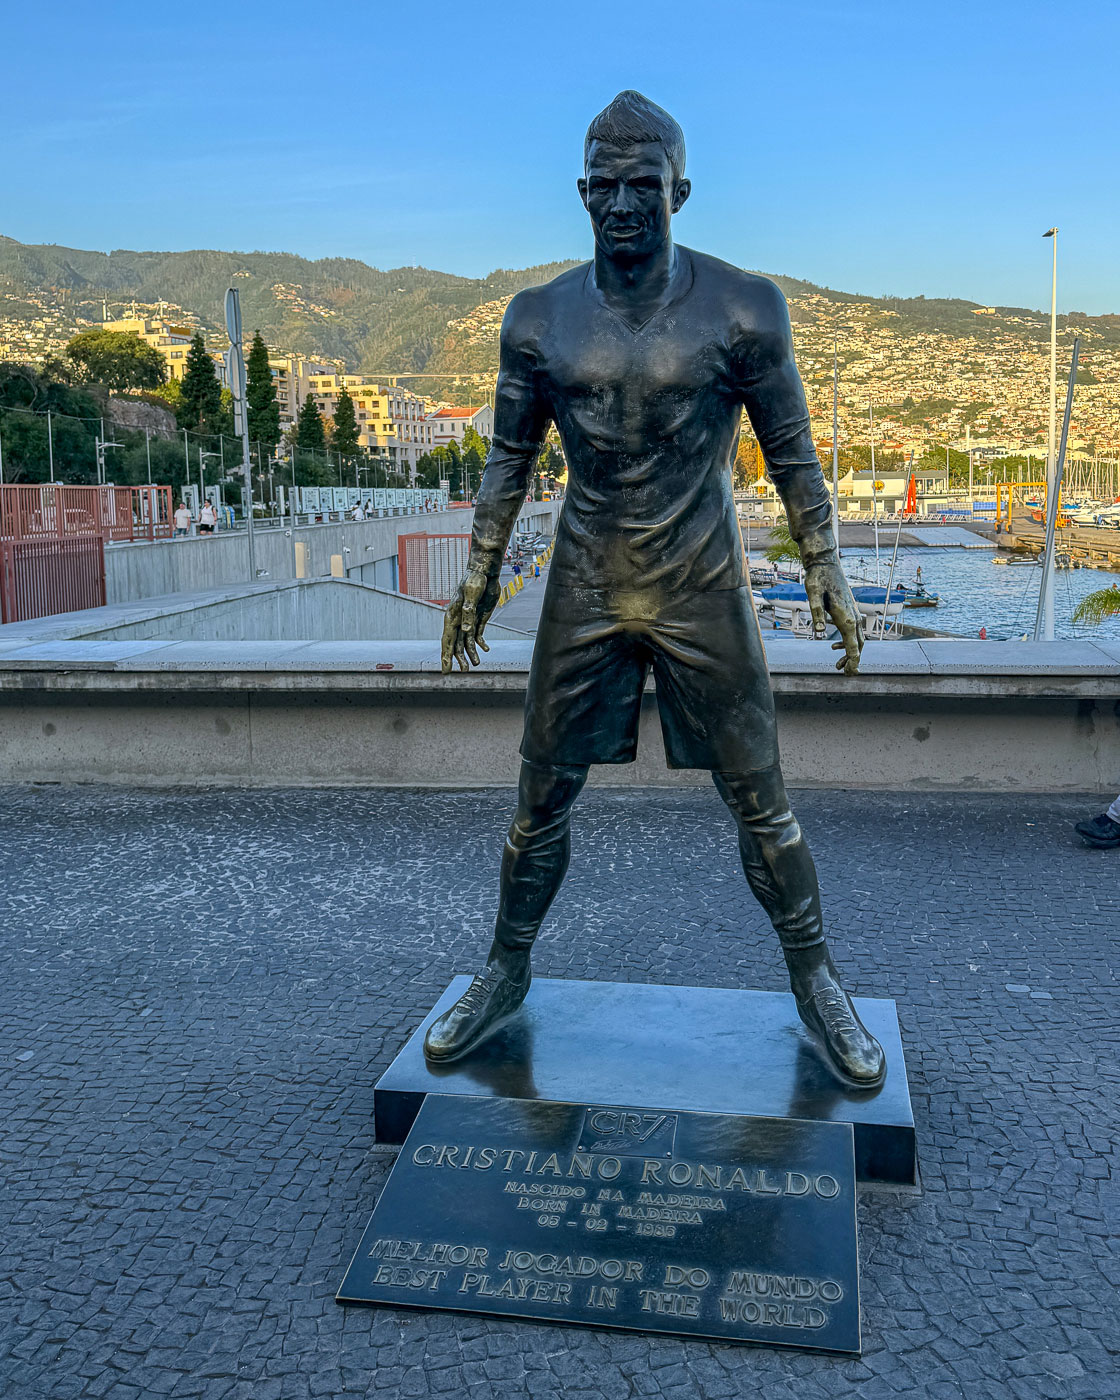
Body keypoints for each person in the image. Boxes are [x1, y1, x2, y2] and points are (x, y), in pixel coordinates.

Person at [430, 91, 883, 1088]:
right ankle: (503, 968)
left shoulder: (742, 308)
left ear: (680, 189)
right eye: (606, 185)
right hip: (586, 579)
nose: (624, 203)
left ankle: (816, 978)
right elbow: (508, 459)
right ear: (580, 192)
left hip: (702, 581)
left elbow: (794, 453)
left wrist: (824, 565)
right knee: (538, 797)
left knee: (760, 799)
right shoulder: (538, 318)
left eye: (645, 185)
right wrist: (478, 567)